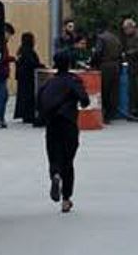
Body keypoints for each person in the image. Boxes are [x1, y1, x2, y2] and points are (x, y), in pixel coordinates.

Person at [37, 50, 90, 214]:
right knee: (68, 161)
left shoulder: (48, 83)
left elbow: (38, 103)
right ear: (69, 64)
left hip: (52, 124)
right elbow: (85, 100)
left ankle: (55, 174)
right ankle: (66, 200)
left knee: (54, 156)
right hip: (68, 123)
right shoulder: (73, 80)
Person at [90, 25, 122, 124]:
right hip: (115, 66)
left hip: (105, 66)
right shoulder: (115, 38)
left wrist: (92, 63)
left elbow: (98, 52)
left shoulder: (101, 38)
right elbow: (120, 53)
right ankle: (111, 114)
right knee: (113, 91)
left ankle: (104, 115)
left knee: (105, 91)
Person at [12, 32, 42, 124]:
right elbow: (32, 63)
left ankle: (25, 114)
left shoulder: (21, 50)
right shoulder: (28, 51)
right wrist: (41, 66)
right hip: (28, 78)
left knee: (23, 96)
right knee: (28, 97)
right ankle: (28, 115)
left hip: (22, 78)